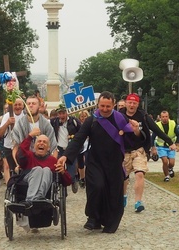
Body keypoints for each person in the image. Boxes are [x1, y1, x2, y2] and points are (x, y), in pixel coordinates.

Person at [56, 91, 142, 234]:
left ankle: (110, 222)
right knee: (97, 186)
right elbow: (79, 138)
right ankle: (93, 218)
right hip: (95, 161)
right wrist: (66, 156)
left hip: (114, 162)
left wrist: (136, 131)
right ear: (98, 104)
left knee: (113, 193)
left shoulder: (121, 119)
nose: (105, 109)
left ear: (113, 105)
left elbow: (131, 141)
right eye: (102, 106)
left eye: (108, 106)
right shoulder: (92, 120)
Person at [120, 94, 176, 212]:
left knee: (140, 173)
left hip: (139, 150)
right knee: (123, 178)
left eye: (134, 103)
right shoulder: (119, 115)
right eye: (129, 102)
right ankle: (123, 196)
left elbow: (156, 129)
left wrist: (170, 141)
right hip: (123, 151)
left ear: (137, 104)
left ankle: (138, 201)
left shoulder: (143, 116)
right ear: (125, 103)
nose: (131, 105)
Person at [17, 127, 72, 208]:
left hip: (46, 190)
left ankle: (39, 197)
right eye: (39, 141)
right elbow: (21, 152)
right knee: (38, 169)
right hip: (27, 182)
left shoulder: (53, 161)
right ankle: (30, 200)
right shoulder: (29, 156)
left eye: (44, 142)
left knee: (46, 170)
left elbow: (67, 182)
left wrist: (63, 172)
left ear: (48, 148)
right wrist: (30, 136)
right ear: (34, 146)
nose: (41, 143)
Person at [12, 95, 58, 161]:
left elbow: (54, 147)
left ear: (39, 106)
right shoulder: (19, 124)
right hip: (26, 162)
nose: (31, 105)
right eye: (28, 103)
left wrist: (52, 165)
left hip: (43, 161)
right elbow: (15, 147)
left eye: (33, 103)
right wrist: (17, 164)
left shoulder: (46, 124)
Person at [50, 104, 81, 193]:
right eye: (59, 113)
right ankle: (63, 191)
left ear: (66, 113)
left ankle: (73, 179)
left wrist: (73, 136)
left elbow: (81, 133)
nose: (61, 116)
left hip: (70, 150)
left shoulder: (74, 121)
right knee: (59, 170)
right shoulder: (54, 122)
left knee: (70, 172)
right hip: (59, 149)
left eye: (63, 113)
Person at [0, 98, 25, 184]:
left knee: (22, 168)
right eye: (15, 105)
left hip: (22, 147)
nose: (17, 107)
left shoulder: (26, 115)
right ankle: (11, 187)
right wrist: (7, 123)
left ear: (23, 105)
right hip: (9, 146)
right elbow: (0, 133)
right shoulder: (7, 116)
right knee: (11, 168)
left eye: (19, 105)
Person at [151, 111, 179, 182]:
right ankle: (166, 176)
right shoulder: (157, 125)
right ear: (160, 118)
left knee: (172, 163)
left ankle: (170, 168)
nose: (165, 118)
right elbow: (153, 137)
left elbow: (178, 134)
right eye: (163, 117)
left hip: (171, 146)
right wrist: (153, 147)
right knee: (165, 161)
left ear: (168, 117)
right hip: (161, 146)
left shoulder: (172, 123)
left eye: (166, 116)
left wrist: (177, 145)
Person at [76, 110, 90, 188]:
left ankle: (88, 177)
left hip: (88, 145)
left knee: (87, 161)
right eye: (82, 116)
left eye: (85, 116)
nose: (83, 118)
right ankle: (82, 178)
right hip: (80, 145)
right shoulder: (77, 125)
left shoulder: (91, 124)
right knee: (80, 162)